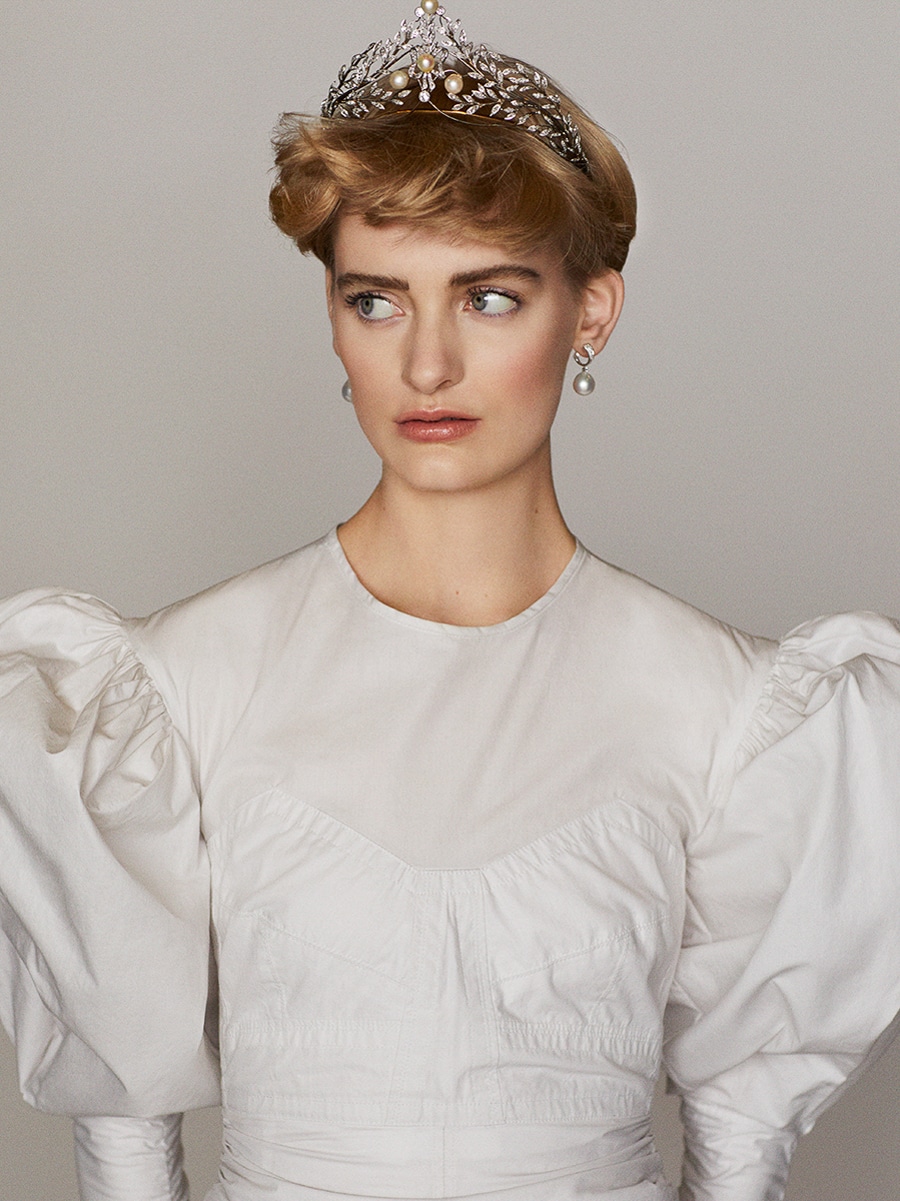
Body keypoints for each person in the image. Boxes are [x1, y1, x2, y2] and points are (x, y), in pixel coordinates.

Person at [1, 4, 899, 1200]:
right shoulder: (172, 690)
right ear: (334, 316)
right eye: (376, 300)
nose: (425, 366)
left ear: (591, 311)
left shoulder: (733, 711)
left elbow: (743, 1148)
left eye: (489, 298)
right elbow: (123, 1118)